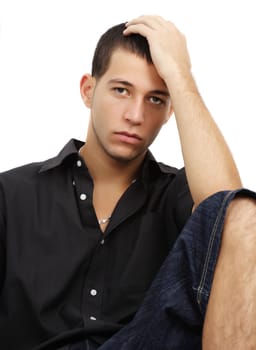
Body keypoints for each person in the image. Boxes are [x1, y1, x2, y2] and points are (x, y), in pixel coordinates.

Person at [0, 15, 255, 350]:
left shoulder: (176, 194)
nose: (136, 115)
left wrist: (181, 77)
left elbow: (229, 218)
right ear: (88, 91)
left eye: (156, 99)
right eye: (121, 90)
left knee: (244, 214)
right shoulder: (12, 194)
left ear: (169, 111)